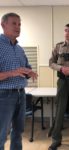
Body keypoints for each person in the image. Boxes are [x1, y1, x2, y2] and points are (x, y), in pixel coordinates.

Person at [0, 12, 37, 150]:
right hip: (3, 95)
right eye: (14, 23)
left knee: (18, 132)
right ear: (3, 25)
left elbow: (26, 68)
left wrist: (29, 72)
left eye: (19, 24)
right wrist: (12, 72)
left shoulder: (19, 49)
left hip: (21, 94)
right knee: (1, 134)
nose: (18, 27)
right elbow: (14, 72)